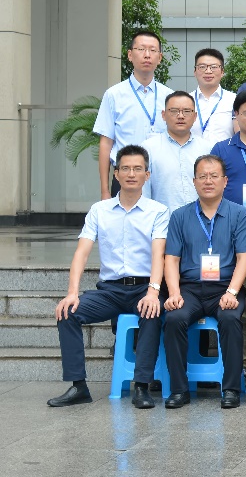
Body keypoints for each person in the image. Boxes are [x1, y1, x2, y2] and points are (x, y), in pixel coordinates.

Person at [49, 145, 167, 409]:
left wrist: (153, 292)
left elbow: (158, 254)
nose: (131, 174)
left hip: (143, 288)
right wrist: (72, 293)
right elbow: (81, 253)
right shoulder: (99, 210)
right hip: (110, 291)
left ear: (147, 175)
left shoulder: (158, 211)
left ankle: (142, 386)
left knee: (151, 312)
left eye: (137, 169)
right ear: (116, 174)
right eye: (125, 168)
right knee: (67, 313)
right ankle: (78, 386)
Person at [161, 153, 246, 409]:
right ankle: (179, 390)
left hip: (225, 287)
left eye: (214, 176)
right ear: (194, 181)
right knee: (174, 318)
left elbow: (244, 259)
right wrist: (174, 293)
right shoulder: (180, 216)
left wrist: (232, 292)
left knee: (230, 318)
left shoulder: (239, 214)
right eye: (202, 176)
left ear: (225, 181)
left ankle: (231, 389)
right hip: (189, 289)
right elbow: (171, 259)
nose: (208, 181)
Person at [94, 29, 173, 198]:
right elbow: (106, 143)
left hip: (161, 177)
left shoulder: (169, 96)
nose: (147, 55)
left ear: (159, 58)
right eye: (141, 49)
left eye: (153, 50)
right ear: (130, 55)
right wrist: (104, 191)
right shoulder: (114, 95)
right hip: (126, 176)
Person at [142, 91, 212, 210]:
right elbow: (144, 191)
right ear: (163, 115)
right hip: (162, 219)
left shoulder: (207, 148)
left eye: (186, 111)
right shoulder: (149, 148)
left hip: (200, 219)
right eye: (174, 111)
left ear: (195, 116)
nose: (180, 116)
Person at [191, 48, 236, 144]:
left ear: (222, 72)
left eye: (214, 67)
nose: (208, 71)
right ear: (195, 72)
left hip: (225, 153)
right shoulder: (186, 101)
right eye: (202, 67)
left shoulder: (234, 100)